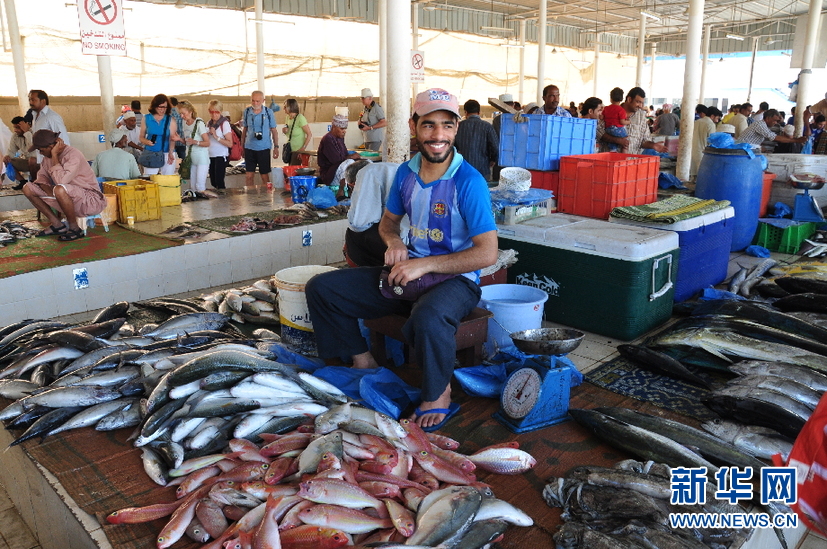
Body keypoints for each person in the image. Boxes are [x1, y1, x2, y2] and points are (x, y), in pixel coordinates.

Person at [305, 87, 498, 432]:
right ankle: (363, 362)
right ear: (413, 126)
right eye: (428, 125)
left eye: (447, 125)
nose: (438, 135)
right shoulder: (406, 174)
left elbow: (487, 252)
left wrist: (424, 264)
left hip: (457, 280)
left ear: (456, 128)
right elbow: (388, 223)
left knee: (429, 317)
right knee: (322, 288)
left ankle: (438, 392)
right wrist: (394, 242)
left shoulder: (469, 182)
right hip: (408, 273)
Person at [22, 130, 106, 241]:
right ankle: (57, 225)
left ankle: (74, 228)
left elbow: (61, 181)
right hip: (66, 198)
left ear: (51, 147)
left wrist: (54, 156)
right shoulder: (47, 159)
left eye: (41, 150)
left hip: (89, 201)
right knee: (28, 188)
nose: (40, 153)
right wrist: (50, 191)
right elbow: (41, 179)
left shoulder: (73, 154)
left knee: (60, 189)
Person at [342, 160, 404, 267]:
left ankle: (368, 270)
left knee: (353, 233)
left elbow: (358, 224)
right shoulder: (397, 168)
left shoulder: (367, 174)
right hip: (418, 236)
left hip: (403, 243)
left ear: (353, 185)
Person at [597, 87, 668, 155]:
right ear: (629, 99)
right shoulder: (611, 111)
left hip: (630, 161)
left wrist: (653, 145)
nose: (640, 106)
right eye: (638, 102)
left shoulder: (641, 117)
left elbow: (644, 141)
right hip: (609, 160)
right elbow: (599, 132)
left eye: (642, 103)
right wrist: (617, 140)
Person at [28, 90, 70, 181]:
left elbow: (63, 138)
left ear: (43, 101)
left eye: (33, 100)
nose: (30, 102)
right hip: (42, 159)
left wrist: (61, 159)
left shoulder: (52, 117)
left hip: (53, 159)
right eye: (29, 100)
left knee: (56, 184)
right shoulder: (35, 116)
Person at [241, 90, 279, 187]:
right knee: (249, 176)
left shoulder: (268, 112)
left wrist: (276, 147)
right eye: (253, 101)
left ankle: (267, 195)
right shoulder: (247, 112)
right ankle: (250, 194)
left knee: (264, 175)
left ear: (263, 101)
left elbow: (274, 130)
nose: (255, 103)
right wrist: (242, 146)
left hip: (264, 148)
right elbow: (244, 129)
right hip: (249, 147)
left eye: (258, 101)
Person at [454, 99, 499, 181]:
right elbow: (495, 147)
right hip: (482, 169)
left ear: (465, 112)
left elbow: (452, 147)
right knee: (481, 188)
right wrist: (493, 160)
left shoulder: (458, 126)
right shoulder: (487, 126)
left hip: (462, 169)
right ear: (479, 112)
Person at [138, 94, 178, 176]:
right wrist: (146, 141)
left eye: (165, 107)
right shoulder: (146, 118)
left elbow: (172, 138)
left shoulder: (170, 119)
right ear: (155, 106)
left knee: (167, 180)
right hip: (151, 152)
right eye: (160, 107)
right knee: (150, 179)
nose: (163, 109)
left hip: (167, 152)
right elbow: (141, 137)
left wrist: (171, 152)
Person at [318, 114, 361, 187]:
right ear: (334, 127)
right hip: (329, 175)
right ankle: (344, 189)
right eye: (342, 129)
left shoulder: (339, 138)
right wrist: (351, 157)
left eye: (345, 129)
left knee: (365, 162)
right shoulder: (328, 139)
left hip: (338, 171)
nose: (344, 131)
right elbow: (337, 160)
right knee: (349, 162)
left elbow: (344, 154)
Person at [177, 101, 210, 193]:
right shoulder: (184, 123)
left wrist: (196, 142)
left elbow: (207, 143)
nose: (182, 116)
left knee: (199, 186)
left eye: (183, 113)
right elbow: (187, 142)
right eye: (180, 114)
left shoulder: (199, 123)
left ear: (190, 112)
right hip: (191, 158)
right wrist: (179, 139)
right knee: (193, 186)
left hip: (201, 159)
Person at [736, 109, 808, 148]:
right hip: (741, 150)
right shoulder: (760, 125)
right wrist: (796, 140)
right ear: (767, 118)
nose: (775, 123)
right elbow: (774, 137)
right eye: (774, 120)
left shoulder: (763, 125)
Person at [206, 100, 233, 190]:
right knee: (213, 181)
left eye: (216, 112)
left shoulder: (224, 124)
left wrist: (216, 136)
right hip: (211, 155)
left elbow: (230, 143)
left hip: (220, 155)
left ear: (220, 111)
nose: (214, 114)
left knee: (219, 181)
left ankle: (223, 197)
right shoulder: (209, 123)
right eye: (211, 112)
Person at [690, 106, 722, 179]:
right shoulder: (710, 124)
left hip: (693, 151)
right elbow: (712, 140)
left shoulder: (697, 122)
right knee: (702, 177)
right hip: (703, 152)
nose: (717, 121)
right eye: (717, 118)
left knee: (694, 175)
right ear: (712, 116)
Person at [4, 115, 34, 189]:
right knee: (7, 160)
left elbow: (33, 146)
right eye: (14, 127)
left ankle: (35, 181)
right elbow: (11, 151)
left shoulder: (34, 133)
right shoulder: (15, 136)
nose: (15, 130)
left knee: (32, 160)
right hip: (27, 161)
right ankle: (23, 182)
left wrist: (26, 132)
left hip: (39, 163)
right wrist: (7, 157)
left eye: (18, 127)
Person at [282, 98, 312, 165]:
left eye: (285, 107)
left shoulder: (300, 118)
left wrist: (303, 148)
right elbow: (288, 129)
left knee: (294, 168)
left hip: (298, 151)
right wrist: (284, 130)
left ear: (291, 107)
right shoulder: (287, 117)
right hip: (289, 149)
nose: (283, 109)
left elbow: (309, 134)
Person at [602, 87, 629, 152]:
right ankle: (624, 153)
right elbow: (622, 122)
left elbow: (602, 117)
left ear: (611, 99)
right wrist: (628, 122)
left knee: (612, 143)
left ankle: (613, 150)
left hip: (608, 130)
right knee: (626, 140)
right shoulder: (621, 110)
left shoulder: (606, 108)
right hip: (618, 130)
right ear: (621, 99)